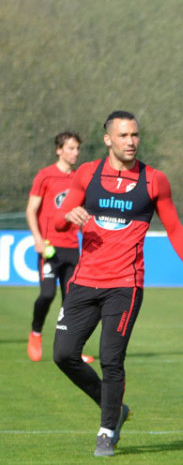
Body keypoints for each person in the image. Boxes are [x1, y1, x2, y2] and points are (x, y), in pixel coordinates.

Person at [53, 110, 183, 457]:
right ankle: (115, 407)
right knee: (63, 355)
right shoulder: (86, 174)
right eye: (123, 136)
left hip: (125, 283)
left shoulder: (154, 180)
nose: (131, 141)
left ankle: (107, 430)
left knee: (110, 358)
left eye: (135, 135)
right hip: (84, 281)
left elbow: (175, 229)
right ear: (108, 139)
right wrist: (66, 216)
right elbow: (61, 224)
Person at [25, 132, 93, 364]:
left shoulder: (80, 178)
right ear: (59, 150)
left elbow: (83, 214)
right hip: (49, 248)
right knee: (47, 294)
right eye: (71, 148)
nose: (75, 153)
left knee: (72, 301)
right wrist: (37, 239)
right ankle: (36, 334)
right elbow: (30, 210)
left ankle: (73, 348)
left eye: (77, 149)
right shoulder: (45, 176)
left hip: (73, 249)